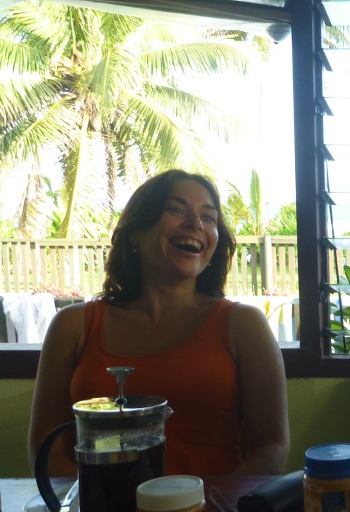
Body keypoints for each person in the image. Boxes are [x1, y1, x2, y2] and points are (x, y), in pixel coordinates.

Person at [29, 170, 289, 477]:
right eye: (176, 210)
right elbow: (47, 448)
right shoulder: (73, 326)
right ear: (136, 231)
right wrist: (100, 506)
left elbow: (271, 447)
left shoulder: (244, 326)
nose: (196, 224)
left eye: (209, 217)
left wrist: (206, 510)